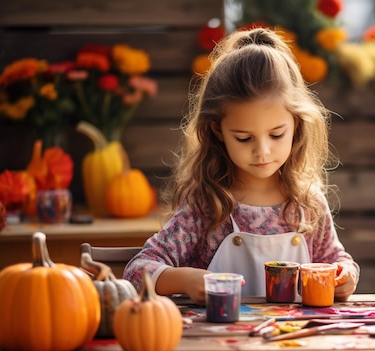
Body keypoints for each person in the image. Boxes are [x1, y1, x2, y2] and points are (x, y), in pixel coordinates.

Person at [123, 28, 359, 305]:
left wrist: (346, 276)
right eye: (244, 138)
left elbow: (336, 261)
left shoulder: (307, 204)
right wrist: (185, 280)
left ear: (296, 125)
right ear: (217, 130)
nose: (262, 151)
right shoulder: (206, 205)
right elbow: (136, 271)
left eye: (276, 134)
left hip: (294, 344)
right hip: (220, 345)